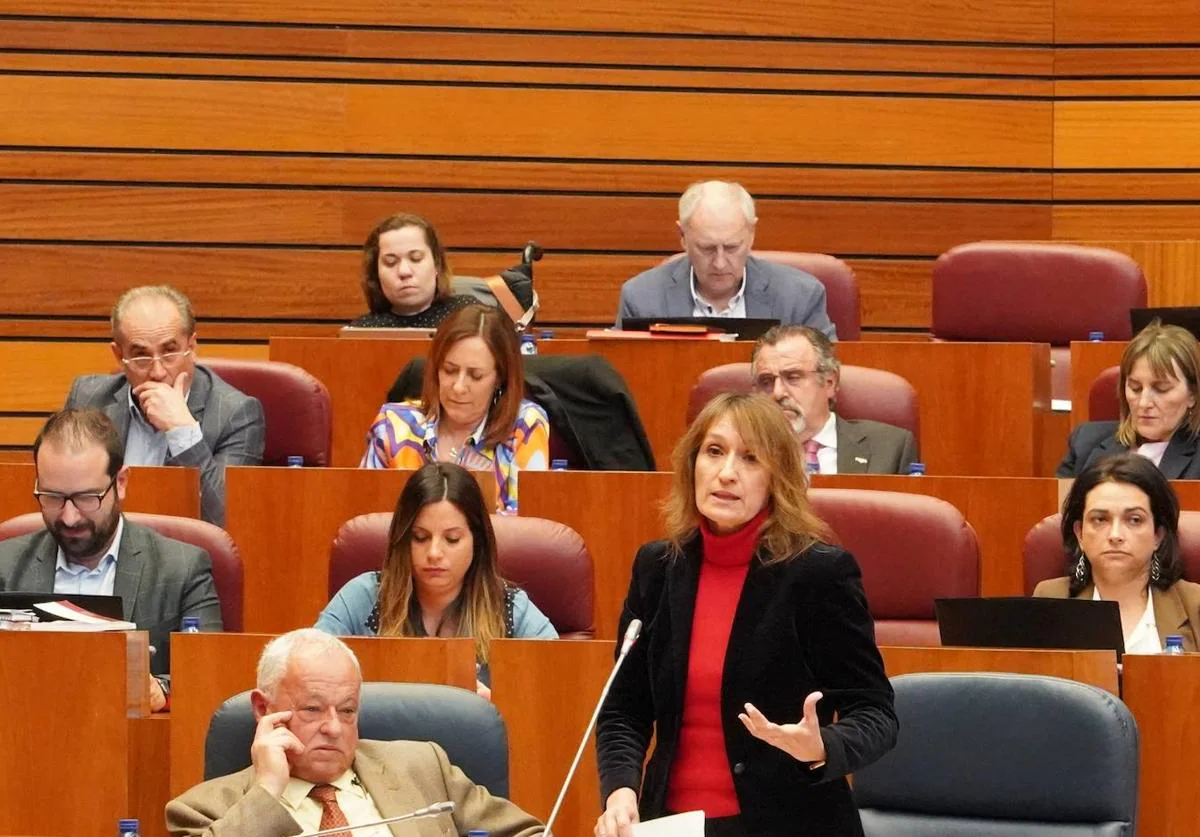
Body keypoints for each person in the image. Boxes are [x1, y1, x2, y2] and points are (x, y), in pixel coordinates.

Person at [596, 393, 897, 837]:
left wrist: (822, 746)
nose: (726, 473)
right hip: (671, 823)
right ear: (691, 463)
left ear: (778, 478)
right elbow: (623, 709)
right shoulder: (658, 568)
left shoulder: (818, 575)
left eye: (751, 458)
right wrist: (620, 790)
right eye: (714, 451)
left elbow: (875, 714)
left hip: (788, 824)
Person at [165, 629, 545, 837]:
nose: (333, 727)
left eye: (347, 711)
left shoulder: (423, 768)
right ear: (264, 710)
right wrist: (267, 792)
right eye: (312, 709)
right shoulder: (202, 811)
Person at [0, 409, 222, 711]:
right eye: (52, 496)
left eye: (87, 497)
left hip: (132, 745)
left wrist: (162, 688)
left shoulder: (182, 568)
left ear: (120, 482)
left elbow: (210, 676)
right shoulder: (6, 566)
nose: (69, 516)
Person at [316, 462, 556, 696]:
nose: (433, 553)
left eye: (451, 539)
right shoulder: (365, 596)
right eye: (420, 538)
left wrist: (498, 705)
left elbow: (560, 685)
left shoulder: (509, 608)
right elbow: (306, 669)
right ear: (403, 540)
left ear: (478, 541)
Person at [64, 285, 264, 525]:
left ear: (191, 347)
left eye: (169, 352)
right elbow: (58, 492)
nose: (157, 372)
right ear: (119, 356)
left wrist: (183, 433)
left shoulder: (236, 414)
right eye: (141, 355)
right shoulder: (88, 399)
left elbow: (228, 520)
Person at [361, 304, 549, 512]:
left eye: (475, 376)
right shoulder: (393, 425)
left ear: (499, 378)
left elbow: (528, 527)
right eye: (449, 371)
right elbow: (367, 522)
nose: (458, 387)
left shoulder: (524, 426)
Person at [614, 181, 836, 337]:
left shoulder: (800, 297)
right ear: (682, 237)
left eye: (731, 247)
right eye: (707, 248)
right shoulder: (642, 299)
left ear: (751, 234)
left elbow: (826, 378)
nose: (720, 263)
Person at [1035, 452, 1200, 652]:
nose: (1115, 535)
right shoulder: (1050, 598)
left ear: (1158, 535)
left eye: (1134, 520)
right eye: (1100, 519)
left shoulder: (1194, 605)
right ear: (1080, 534)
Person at [751, 325, 916, 474]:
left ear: (830, 382)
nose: (778, 393)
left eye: (793, 377)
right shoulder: (741, 450)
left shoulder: (890, 447)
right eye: (766, 382)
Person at [1058, 319, 1200, 478]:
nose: (1144, 403)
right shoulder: (1084, 442)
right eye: (1135, 388)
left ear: (1192, 395)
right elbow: (1062, 502)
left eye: (1161, 389)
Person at [350, 212, 481, 328]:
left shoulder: (468, 314)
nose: (404, 272)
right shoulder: (363, 330)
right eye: (391, 262)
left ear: (436, 264)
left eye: (416, 259)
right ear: (376, 273)